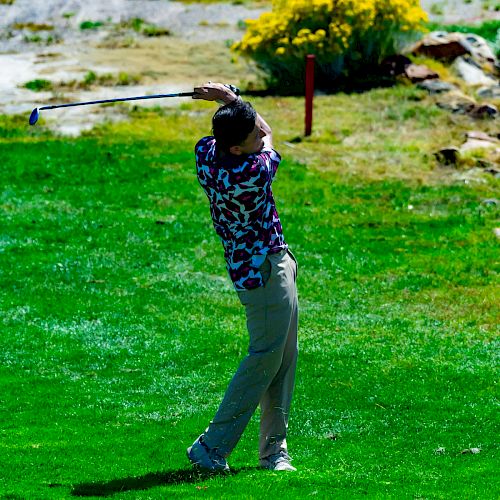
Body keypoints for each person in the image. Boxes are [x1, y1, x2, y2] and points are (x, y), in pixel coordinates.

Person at [186, 82, 299, 473]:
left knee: (283, 357)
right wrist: (229, 98)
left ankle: (273, 452)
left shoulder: (206, 152)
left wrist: (231, 106)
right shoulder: (253, 172)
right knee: (265, 358)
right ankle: (211, 446)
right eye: (250, 136)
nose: (259, 134)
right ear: (238, 148)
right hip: (265, 272)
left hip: (261, 265)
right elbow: (268, 135)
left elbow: (251, 130)